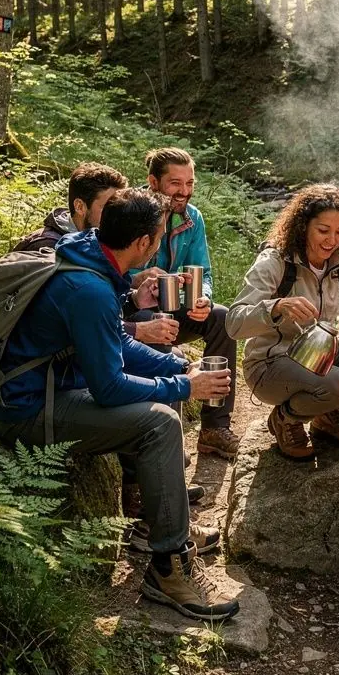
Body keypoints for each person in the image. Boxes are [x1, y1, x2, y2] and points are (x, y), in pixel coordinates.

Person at [0, 187, 240, 623]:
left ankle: (157, 524)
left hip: (55, 388)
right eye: (158, 237)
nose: (159, 245)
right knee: (160, 422)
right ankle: (168, 568)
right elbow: (109, 388)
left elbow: (116, 341)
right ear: (143, 242)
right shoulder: (88, 288)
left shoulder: (91, 257)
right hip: (29, 409)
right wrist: (184, 385)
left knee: (166, 388)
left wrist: (178, 366)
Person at [226, 184, 339, 461]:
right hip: (270, 365)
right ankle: (286, 419)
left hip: (320, 357)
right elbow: (234, 323)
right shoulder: (275, 262)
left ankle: (329, 416)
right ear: (303, 226)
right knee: (337, 382)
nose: (332, 240)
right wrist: (276, 307)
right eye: (323, 230)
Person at [128, 147, 239, 461]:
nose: (184, 191)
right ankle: (166, 437)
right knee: (156, 326)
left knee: (222, 319)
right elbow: (110, 268)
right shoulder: (131, 212)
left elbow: (204, 272)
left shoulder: (193, 218)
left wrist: (203, 297)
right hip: (133, 308)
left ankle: (215, 427)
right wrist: (136, 279)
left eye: (189, 183)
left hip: (176, 304)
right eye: (175, 183)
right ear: (153, 181)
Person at [13, 162, 178, 351]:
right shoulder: (51, 249)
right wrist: (137, 330)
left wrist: (133, 300)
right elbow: (71, 323)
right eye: (109, 208)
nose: (118, 216)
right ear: (80, 206)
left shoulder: (88, 246)